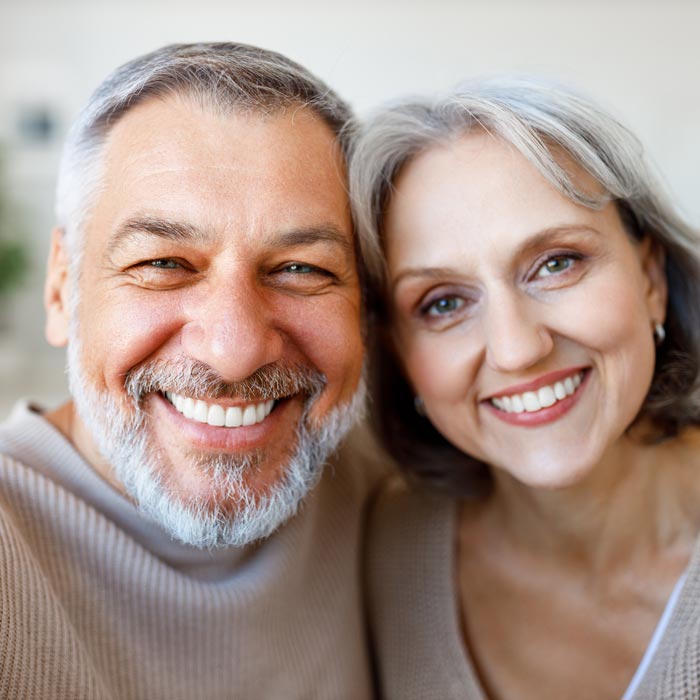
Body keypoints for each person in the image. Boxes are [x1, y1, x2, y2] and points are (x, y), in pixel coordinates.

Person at [0, 42, 382, 699]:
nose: (234, 350)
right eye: (163, 263)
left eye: (302, 269)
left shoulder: (391, 493)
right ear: (62, 289)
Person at [350, 78, 700, 700]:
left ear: (650, 278)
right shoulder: (386, 552)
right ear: (400, 355)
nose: (517, 349)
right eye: (444, 303)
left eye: (557, 263)